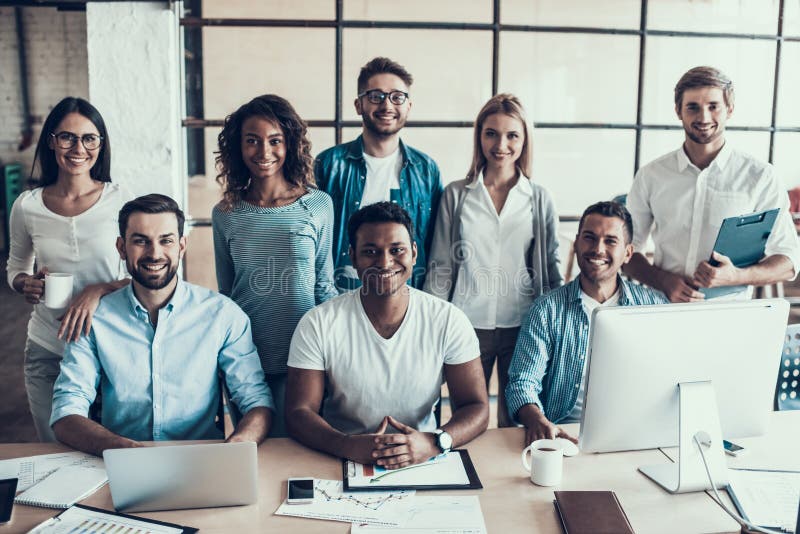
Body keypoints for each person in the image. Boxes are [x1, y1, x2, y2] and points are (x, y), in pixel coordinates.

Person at [50, 195, 274, 456]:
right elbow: (66, 411)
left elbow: (257, 402)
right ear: (122, 248)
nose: (154, 253)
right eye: (140, 241)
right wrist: (125, 451)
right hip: (117, 461)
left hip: (201, 463)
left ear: (181, 245)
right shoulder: (94, 318)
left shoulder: (223, 315)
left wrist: (234, 448)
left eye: (165, 240)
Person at [286, 202, 488, 468]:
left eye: (397, 250)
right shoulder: (318, 322)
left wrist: (436, 441)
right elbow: (299, 412)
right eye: (370, 252)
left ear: (414, 253)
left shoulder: (448, 320)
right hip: (340, 456)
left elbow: (477, 408)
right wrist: (345, 444)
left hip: (424, 455)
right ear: (353, 257)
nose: (384, 262)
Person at [425, 94, 562, 427]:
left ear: (524, 139)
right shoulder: (456, 195)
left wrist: (554, 323)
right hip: (465, 323)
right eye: (491, 133)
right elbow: (441, 265)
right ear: (479, 137)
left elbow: (550, 267)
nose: (501, 144)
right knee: (465, 417)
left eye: (512, 135)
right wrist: (430, 325)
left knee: (517, 417)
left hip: (523, 323)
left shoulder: (539, 198)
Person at [6, 97, 132, 442]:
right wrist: (24, 283)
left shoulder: (120, 201)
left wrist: (98, 289)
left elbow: (144, 276)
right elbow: (16, 267)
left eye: (89, 138)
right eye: (67, 137)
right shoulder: (27, 205)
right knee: (55, 454)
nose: (79, 148)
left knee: (108, 453)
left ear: (100, 144)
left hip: (107, 349)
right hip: (48, 350)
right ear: (51, 141)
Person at [212, 94, 337, 437]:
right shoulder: (226, 213)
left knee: (302, 448)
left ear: (290, 144)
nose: (263, 152)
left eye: (274, 140)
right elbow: (227, 294)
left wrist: (335, 355)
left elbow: (324, 286)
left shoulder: (318, 205)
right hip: (245, 357)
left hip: (305, 354)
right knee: (255, 451)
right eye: (252, 141)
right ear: (238, 147)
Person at [625, 66, 800, 302]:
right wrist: (663, 281)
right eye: (692, 107)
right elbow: (626, 252)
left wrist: (736, 276)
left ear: (729, 109)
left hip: (729, 316)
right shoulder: (651, 175)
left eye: (713, 106)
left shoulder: (761, 176)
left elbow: (788, 261)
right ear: (678, 111)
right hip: (662, 309)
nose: (704, 117)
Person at [506, 201, 668, 447]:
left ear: (627, 253)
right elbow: (522, 383)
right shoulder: (546, 310)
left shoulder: (654, 308)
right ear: (577, 243)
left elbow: (667, 378)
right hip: (563, 435)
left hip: (635, 436)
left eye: (610, 241)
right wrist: (537, 419)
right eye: (589, 238)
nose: (598, 249)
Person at [315, 57, 443, 292]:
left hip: (406, 301)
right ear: (358, 105)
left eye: (397, 97)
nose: (387, 106)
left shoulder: (426, 170)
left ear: (408, 106)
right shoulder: (329, 164)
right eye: (376, 96)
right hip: (340, 297)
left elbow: (436, 246)